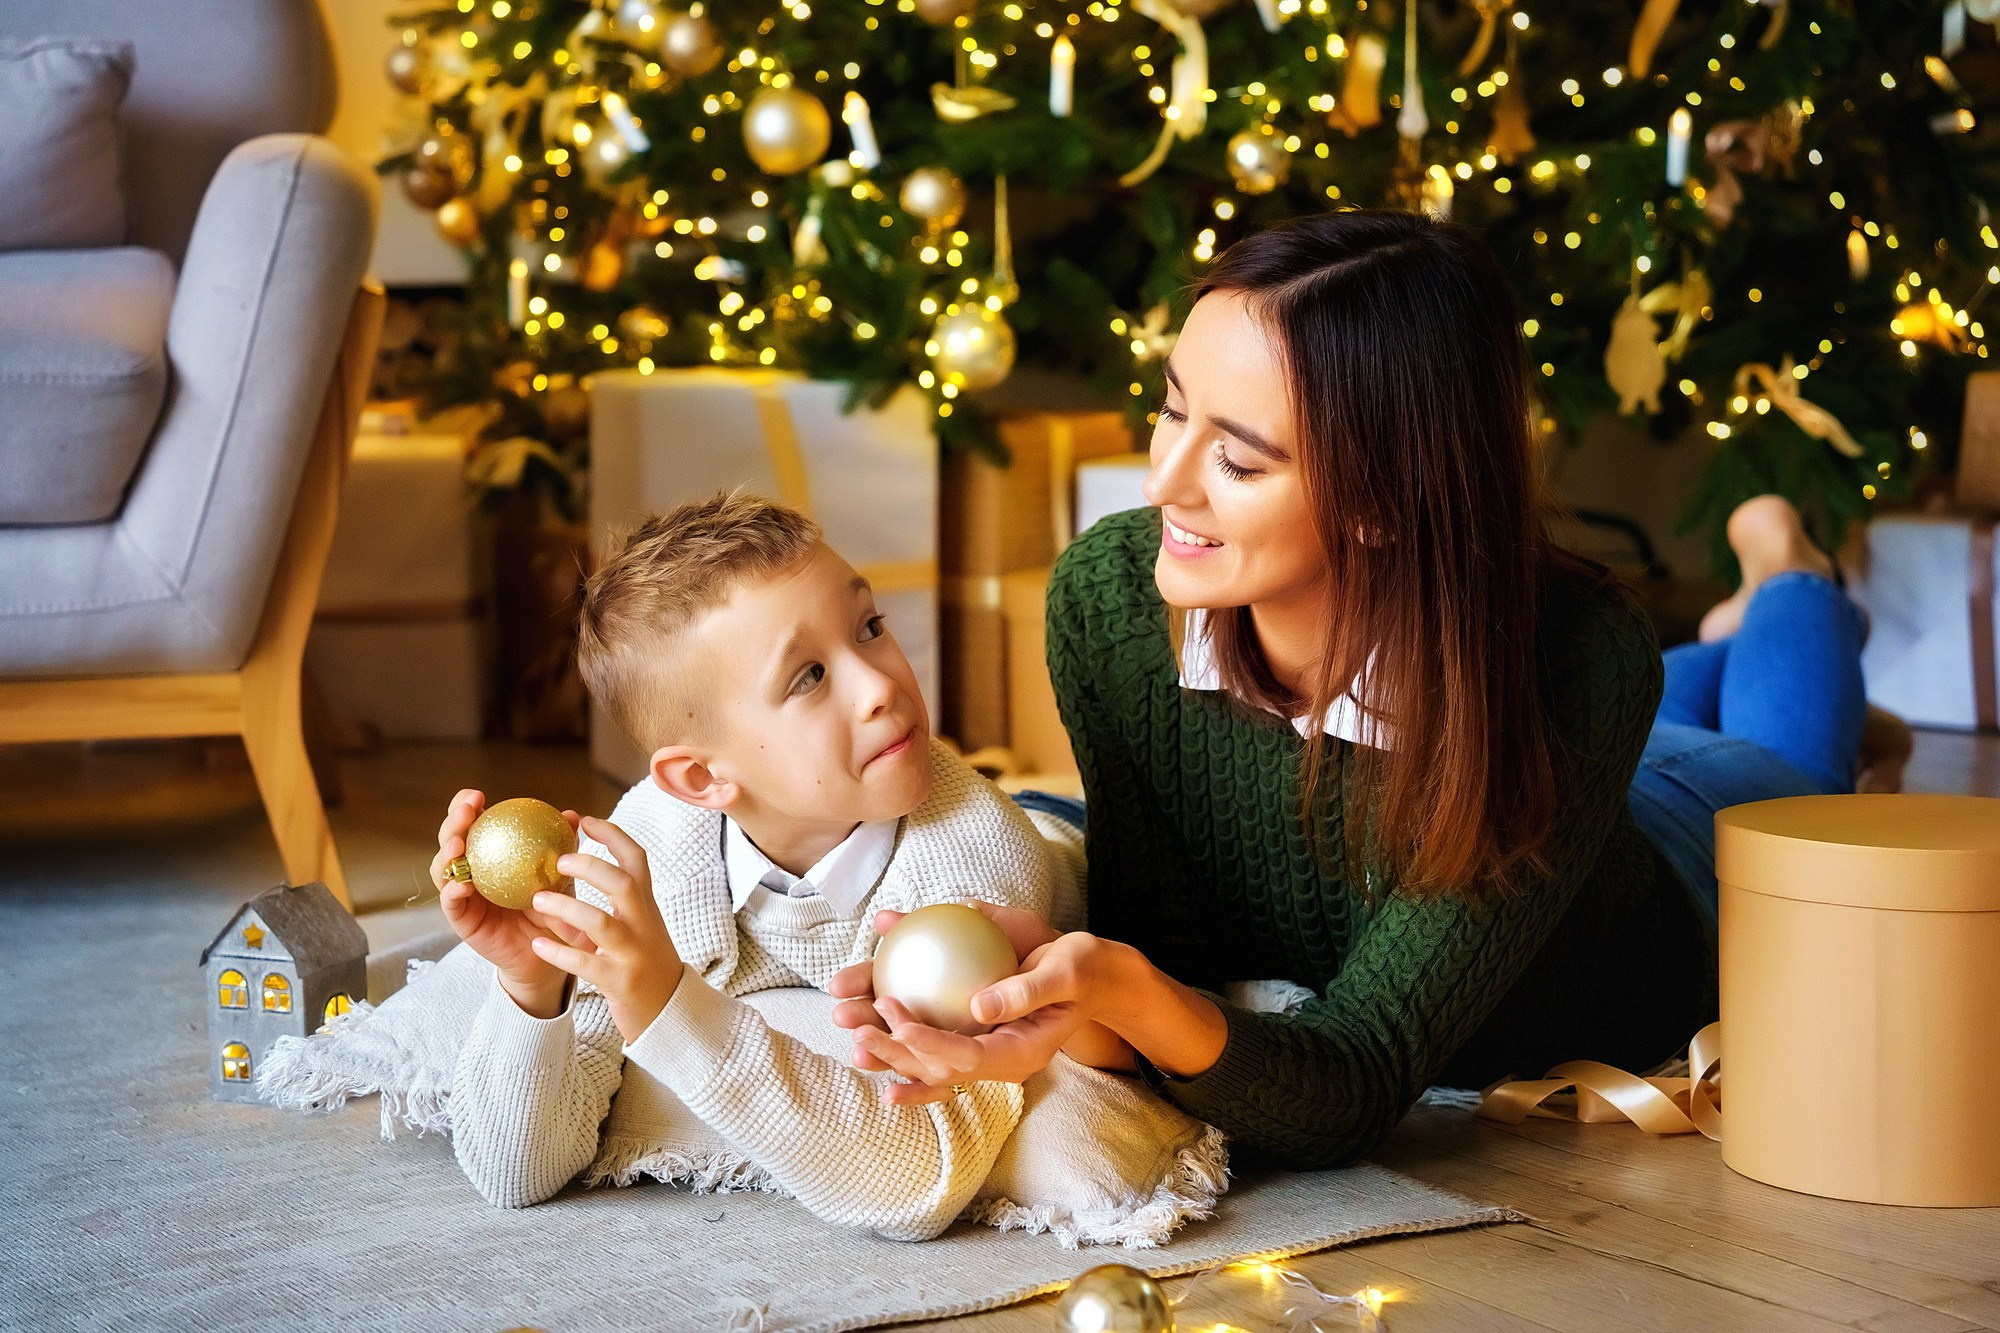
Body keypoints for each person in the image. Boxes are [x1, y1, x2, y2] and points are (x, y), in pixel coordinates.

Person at [828, 208, 1883, 1171]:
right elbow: (1176, 962)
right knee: (1671, 703)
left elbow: (1357, 1078)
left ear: (1384, 498)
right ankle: (1733, 629)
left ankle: (1786, 574)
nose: (1161, 484)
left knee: (1798, 767)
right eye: (1169, 412)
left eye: (1237, 462)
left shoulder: (1577, 660)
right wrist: (1063, 988)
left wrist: (1129, 995)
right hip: (1581, 759)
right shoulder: (1112, 599)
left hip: (1673, 846)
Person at [428, 491, 1188, 1238]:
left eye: (869, 627)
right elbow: (515, 1175)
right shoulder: (649, 851)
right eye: (809, 677)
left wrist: (667, 1004)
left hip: (1050, 833)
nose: (882, 684)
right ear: (702, 781)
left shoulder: (972, 867)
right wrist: (532, 987)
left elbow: (922, 1181)